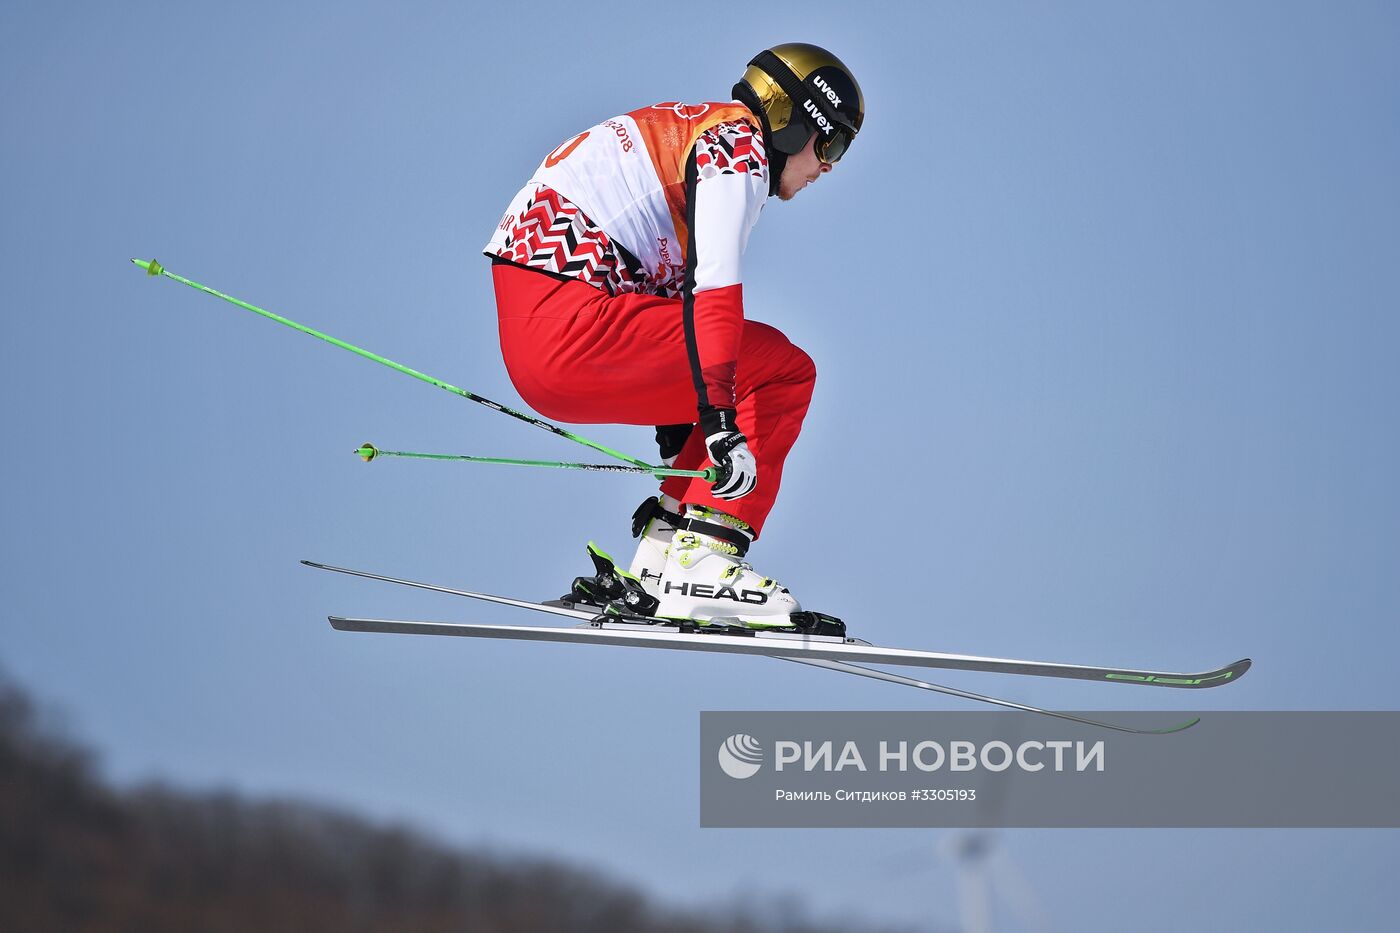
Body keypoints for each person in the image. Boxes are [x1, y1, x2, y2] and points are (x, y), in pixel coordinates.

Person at [484, 44, 863, 629]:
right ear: (793, 121)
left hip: (544, 335)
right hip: (571, 322)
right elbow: (713, 296)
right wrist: (717, 422)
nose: (830, 166)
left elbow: (670, 300)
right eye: (832, 143)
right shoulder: (735, 147)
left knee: (734, 370)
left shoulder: (695, 134)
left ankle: (665, 552)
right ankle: (703, 558)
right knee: (784, 369)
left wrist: (687, 436)